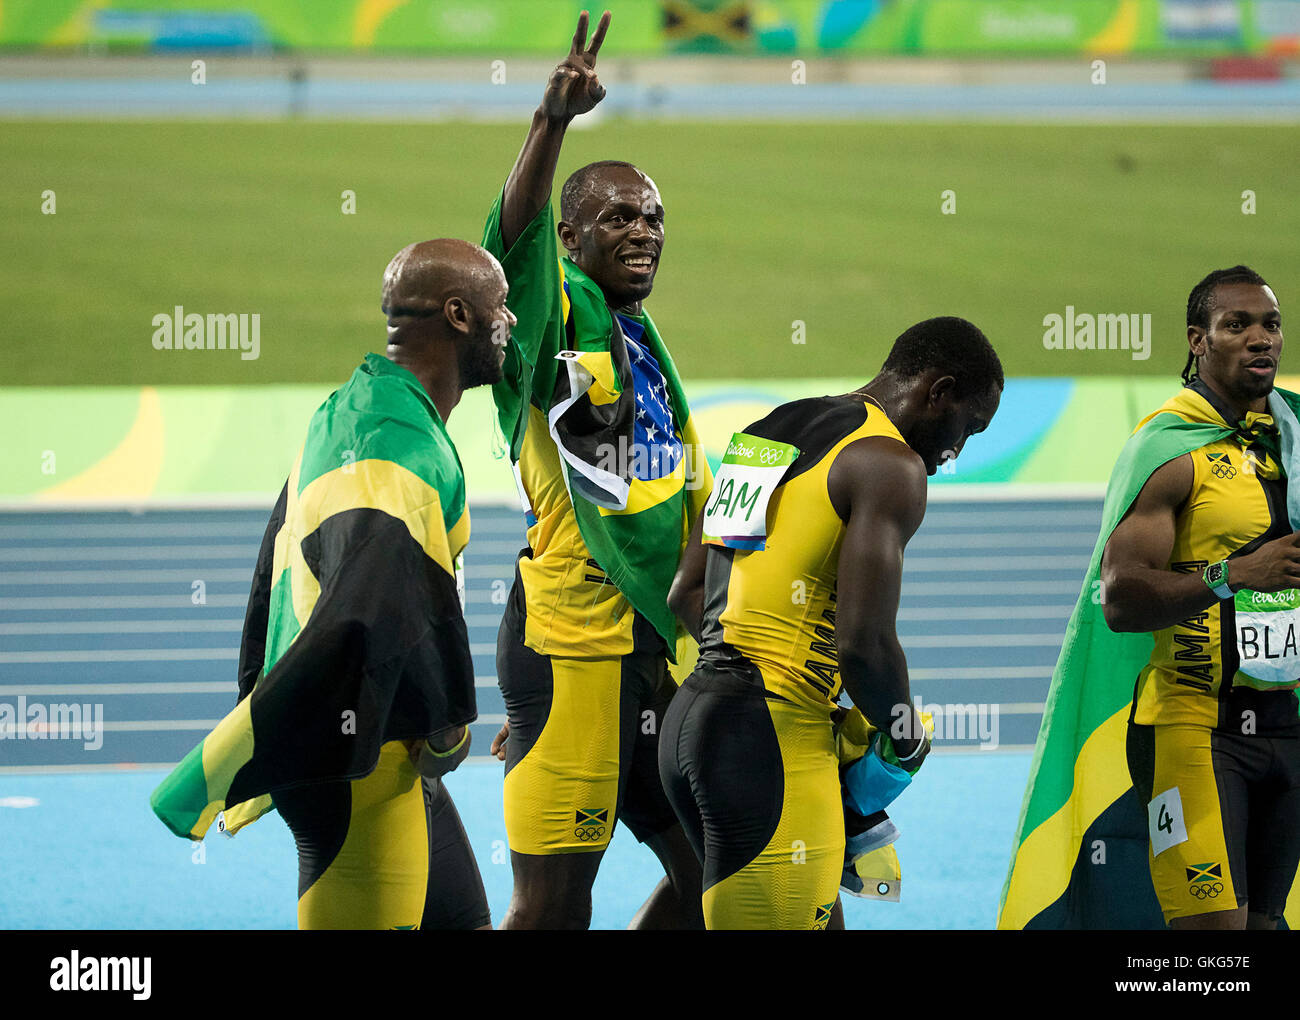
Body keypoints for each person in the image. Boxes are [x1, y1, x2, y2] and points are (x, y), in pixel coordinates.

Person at [151, 238, 513, 929]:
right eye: (502, 309)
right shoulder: (393, 446)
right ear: (461, 315)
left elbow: (276, 568)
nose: (513, 324)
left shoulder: (357, 407)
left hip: (371, 751)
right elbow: (371, 610)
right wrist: (447, 725)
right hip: (358, 765)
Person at [481, 9, 712, 929]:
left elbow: (676, 484)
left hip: (656, 647)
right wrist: (552, 123)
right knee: (552, 909)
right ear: (572, 239)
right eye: (618, 215)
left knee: (717, 873)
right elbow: (511, 248)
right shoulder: (551, 321)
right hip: (575, 645)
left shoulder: (641, 340)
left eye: (655, 216)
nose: (645, 229)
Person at [659, 317, 1002, 929]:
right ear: (939, 391)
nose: (957, 452)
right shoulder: (890, 465)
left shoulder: (768, 432)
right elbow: (864, 645)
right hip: (770, 737)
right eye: (968, 428)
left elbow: (687, 593)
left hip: (697, 722)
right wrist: (903, 736)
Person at [1099, 266, 1300, 929]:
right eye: (1236, 325)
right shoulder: (1171, 451)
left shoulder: (1293, 442)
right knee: (1214, 943)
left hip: (1288, 728)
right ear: (1198, 339)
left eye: (1269, 323)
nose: (1259, 338)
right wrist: (1233, 575)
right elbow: (1121, 600)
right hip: (1192, 728)